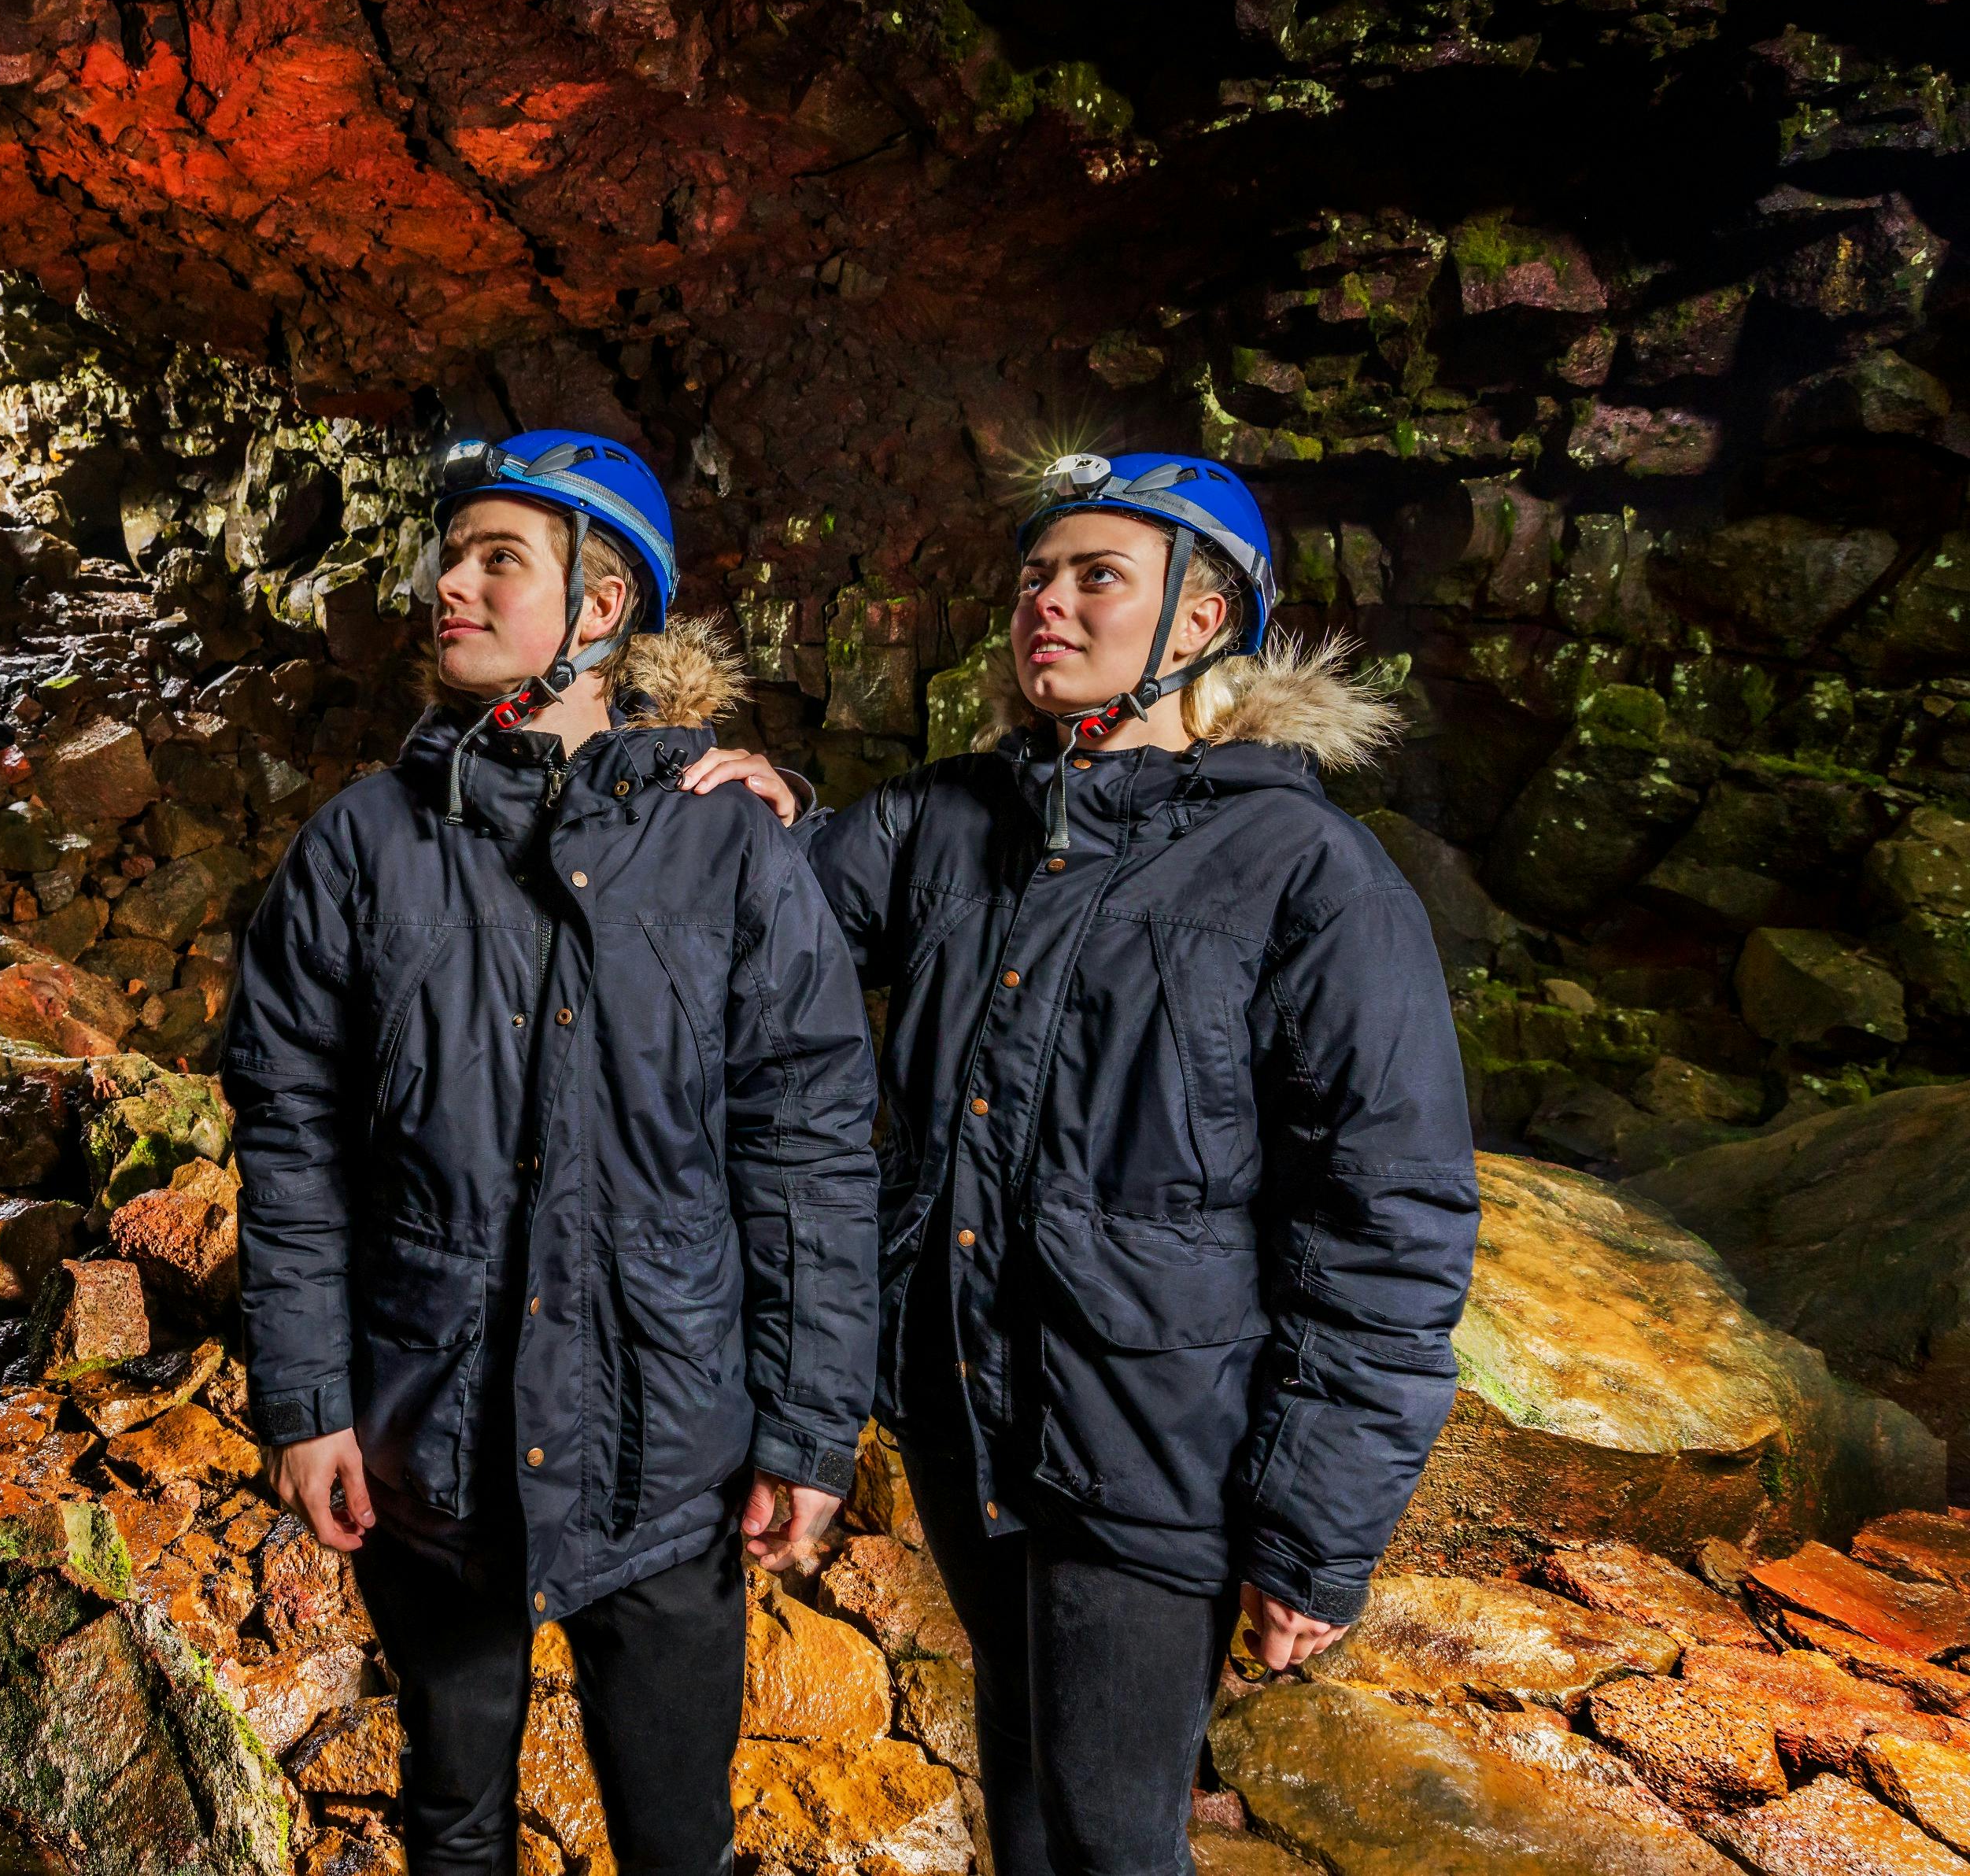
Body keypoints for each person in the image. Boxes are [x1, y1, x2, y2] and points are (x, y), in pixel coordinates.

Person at [683, 450, 1480, 1876]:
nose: (1045, 603)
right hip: (964, 1405)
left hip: (1153, 1441)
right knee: (1026, 1777)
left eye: (1097, 576)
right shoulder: (952, 818)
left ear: (1199, 619)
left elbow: (1388, 1224)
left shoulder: (1307, 873)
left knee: (1114, 1831)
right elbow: (751, 921)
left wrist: (1316, 1528)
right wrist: (761, 799)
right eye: (1035, 578)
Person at [224, 430, 881, 1876]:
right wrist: (307, 1400)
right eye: (450, 555)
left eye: (497, 559)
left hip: (668, 1450)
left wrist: (809, 1428)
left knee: (676, 1837)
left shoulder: (730, 848)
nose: (449, 585)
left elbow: (808, 1153)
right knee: (453, 1816)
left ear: (599, 606)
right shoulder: (360, 847)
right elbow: (292, 1142)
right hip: (433, 1446)